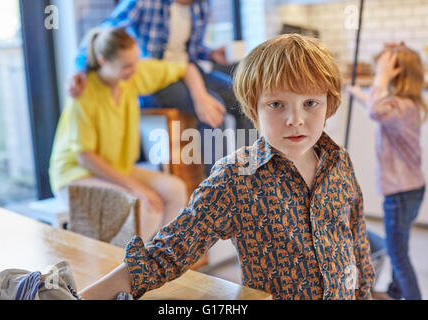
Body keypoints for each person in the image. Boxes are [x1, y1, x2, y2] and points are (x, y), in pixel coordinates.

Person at [78, 34, 375, 300]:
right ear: (253, 107)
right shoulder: (236, 178)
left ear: (330, 103)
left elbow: (356, 239)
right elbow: (169, 252)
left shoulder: (339, 161)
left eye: (310, 103)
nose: (295, 119)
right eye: (276, 105)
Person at [49, 27, 224, 242]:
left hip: (117, 167)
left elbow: (187, 69)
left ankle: (160, 263)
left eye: (136, 62)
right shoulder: (83, 92)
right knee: (145, 207)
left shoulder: (132, 75)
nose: (134, 69)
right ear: (103, 61)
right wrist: (136, 187)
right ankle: (125, 271)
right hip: (77, 174)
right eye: (126, 66)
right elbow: (85, 157)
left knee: (176, 189)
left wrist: (200, 98)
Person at [71, 0, 255, 176]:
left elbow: (191, 50)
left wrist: (212, 53)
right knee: (214, 108)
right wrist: (80, 68)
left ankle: (251, 174)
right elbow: (104, 32)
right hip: (157, 79)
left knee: (244, 96)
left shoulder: (201, 5)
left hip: (188, 70)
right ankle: (218, 191)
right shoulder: (145, 2)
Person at [347, 43, 427, 300]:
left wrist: (381, 76)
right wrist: (357, 92)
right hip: (409, 189)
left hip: (401, 193)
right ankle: (394, 293)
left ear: (396, 73)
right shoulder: (406, 103)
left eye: (385, 70)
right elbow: (375, 106)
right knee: (398, 247)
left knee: (397, 255)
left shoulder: (399, 106)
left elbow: (375, 109)